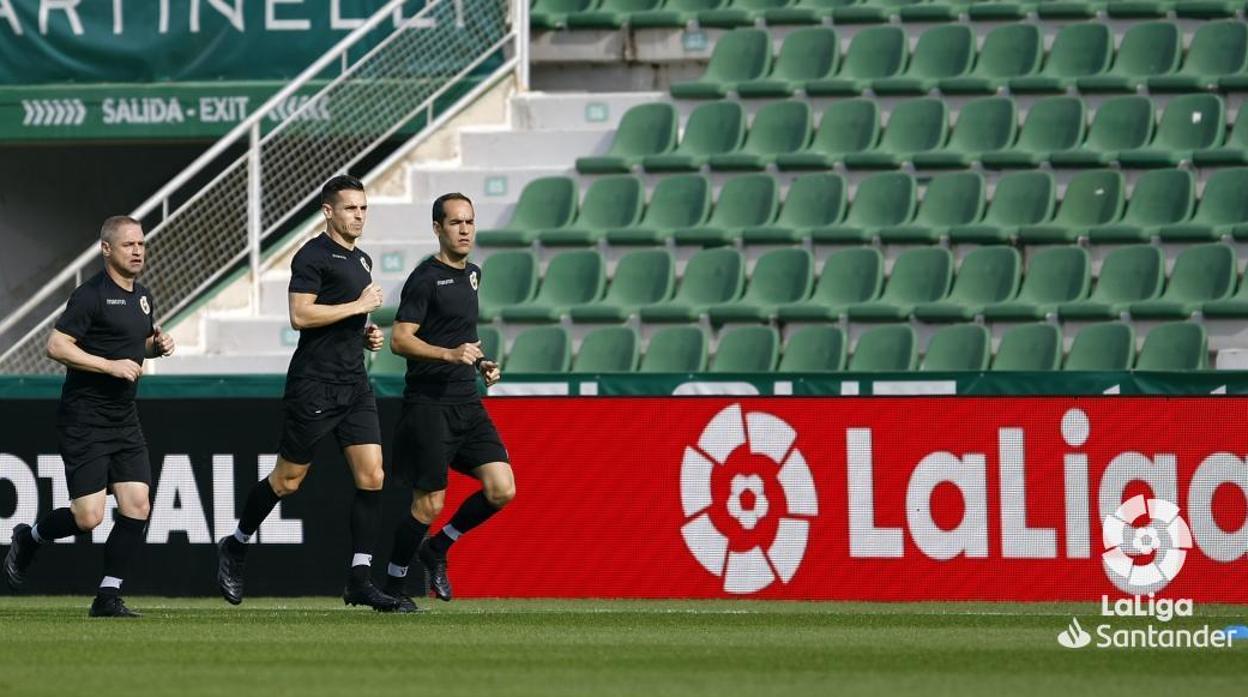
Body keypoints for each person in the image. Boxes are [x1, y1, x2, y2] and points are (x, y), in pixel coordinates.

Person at [214, 175, 401, 611]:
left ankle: (359, 578)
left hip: (354, 383)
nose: (359, 215)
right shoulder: (312, 255)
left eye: (363, 208)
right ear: (328, 211)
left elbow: (341, 320)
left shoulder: (363, 260)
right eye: (351, 208)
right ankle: (236, 544)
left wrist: (364, 333)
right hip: (314, 383)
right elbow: (300, 315)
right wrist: (357, 308)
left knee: (373, 476)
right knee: (287, 481)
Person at [3, 215, 175, 618]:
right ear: (106, 250)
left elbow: (137, 343)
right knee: (89, 517)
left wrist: (156, 345)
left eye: (141, 244)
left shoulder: (143, 296)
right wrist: (108, 365)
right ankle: (30, 538)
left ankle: (107, 596)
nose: (137, 251)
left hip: (123, 417)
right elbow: (57, 346)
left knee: (138, 504)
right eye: (129, 245)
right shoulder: (90, 296)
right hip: (85, 418)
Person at [381, 192, 514, 613]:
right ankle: (394, 586)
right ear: (437, 228)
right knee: (430, 503)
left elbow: (461, 336)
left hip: (466, 401)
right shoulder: (424, 278)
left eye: (469, 222)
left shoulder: (473, 274)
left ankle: (437, 547)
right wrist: (449, 355)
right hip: (428, 405)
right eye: (455, 222)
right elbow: (400, 340)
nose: (464, 230)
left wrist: (481, 364)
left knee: (501, 489)